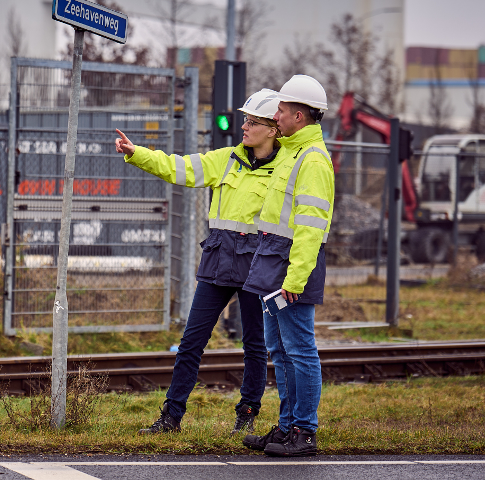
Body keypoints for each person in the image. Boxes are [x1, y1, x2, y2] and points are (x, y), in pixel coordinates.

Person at [115, 89, 283, 435]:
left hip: (258, 264)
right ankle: (171, 418)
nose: (244, 126)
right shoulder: (226, 159)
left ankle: (247, 414)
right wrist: (138, 154)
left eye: (253, 122)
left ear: (273, 129)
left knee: (254, 345)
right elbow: (180, 167)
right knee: (191, 342)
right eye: (245, 120)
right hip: (219, 260)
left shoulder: (287, 169)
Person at [240, 74, 335, 458]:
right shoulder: (293, 152)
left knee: (299, 350)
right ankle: (285, 429)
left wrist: (295, 279)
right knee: (280, 351)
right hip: (273, 261)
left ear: (298, 115)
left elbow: (311, 227)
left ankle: (304, 431)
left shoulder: (312, 159)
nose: (274, 115)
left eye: (280, 109)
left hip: (290, 266)